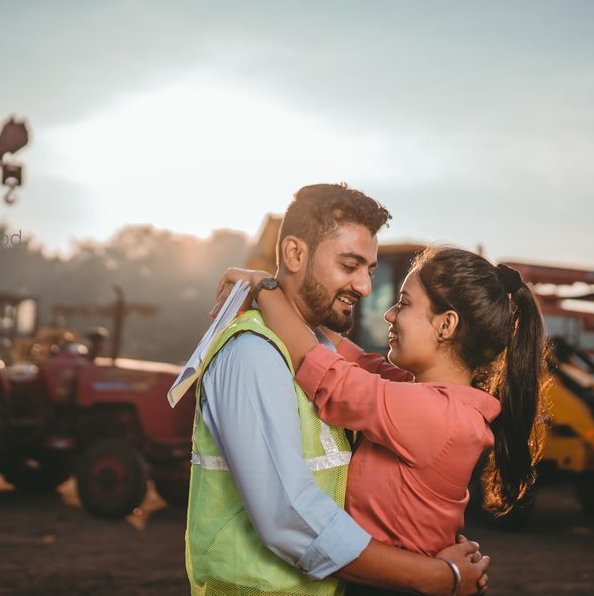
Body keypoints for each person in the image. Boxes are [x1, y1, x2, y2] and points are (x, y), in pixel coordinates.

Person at [186, 184, 489, 596]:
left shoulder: (335, 359)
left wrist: (264, 286)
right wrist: (437, 575)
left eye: (370, 271)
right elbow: (288, 517)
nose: (365, 288)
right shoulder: (254, 353)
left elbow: (336, 366)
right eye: (350, 265)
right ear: (294, 255)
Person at [217, 246, 546, 596]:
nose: (389, 315)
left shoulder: (437, 415)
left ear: (446, 325)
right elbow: (349, 356)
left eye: (404, 304)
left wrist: (264, 288)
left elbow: (331, 377)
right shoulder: (421, 394)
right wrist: (292, 296)